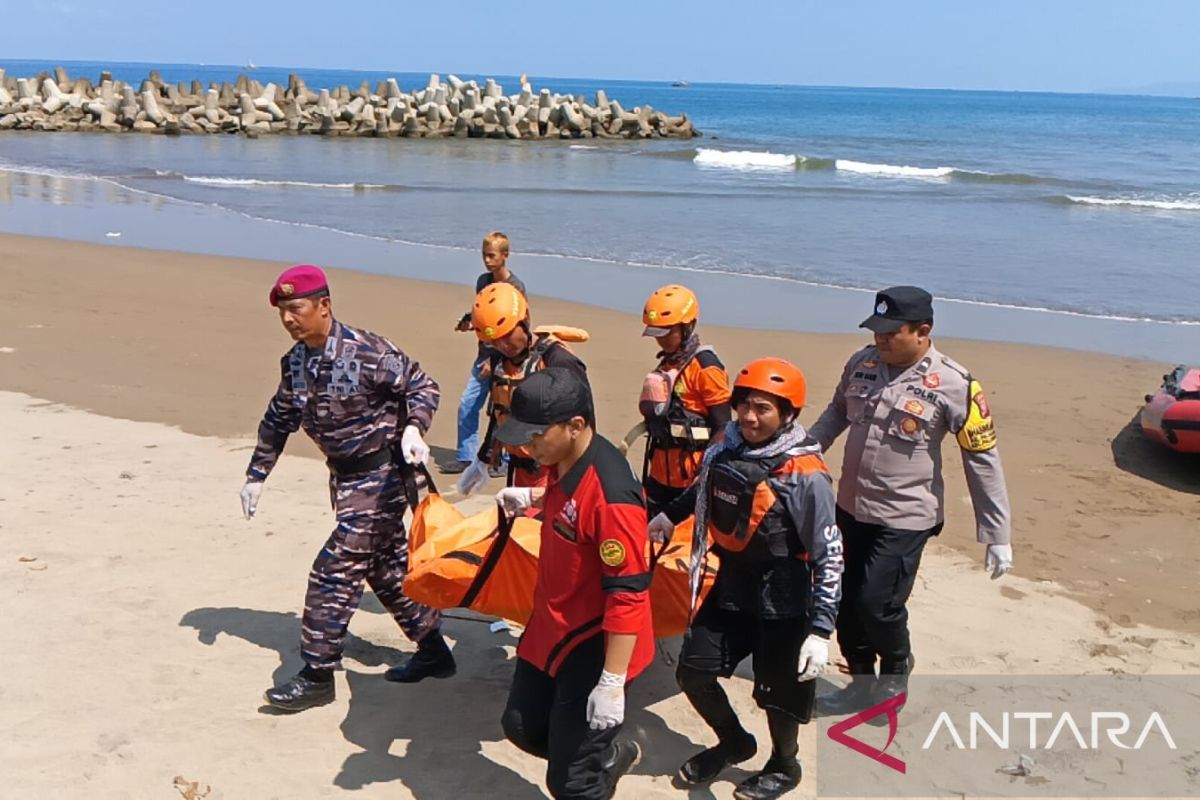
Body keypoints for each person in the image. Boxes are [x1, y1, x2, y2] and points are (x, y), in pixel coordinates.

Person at [239, 264, 455, 713]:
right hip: (345, 478)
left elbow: (422, 385)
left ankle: (318, 674)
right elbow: (280, 417)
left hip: (383, 479)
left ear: (324, 305)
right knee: (387, 570)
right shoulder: (296, 362)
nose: (288, 319)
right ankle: (434, 649)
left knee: (333, 571)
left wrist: (415, 427)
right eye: (282, 311)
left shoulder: (367, 350)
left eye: (296, 309)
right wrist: (257, 474)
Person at [808, 285, 1013, 716]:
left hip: (905, 517)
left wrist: (996, 534)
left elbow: (982, 458)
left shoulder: (955, 384)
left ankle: (896, 669)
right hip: (851, 507)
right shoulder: (861, 364)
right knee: (843, 601)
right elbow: (835, 414)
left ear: (923, 331)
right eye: (876, 331)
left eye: (890, 332)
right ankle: (861, 684)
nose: (880, 340)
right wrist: (801, 455)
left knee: (877, 604)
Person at [648, 358, 844, 800]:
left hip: (786, 593)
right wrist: (667, 515)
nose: (750, 418)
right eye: (744, 407)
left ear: (789, 414)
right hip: (733, 581)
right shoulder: (727, 445)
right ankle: (734, 741)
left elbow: (830, 552)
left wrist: (821, 630)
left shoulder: (806, 475)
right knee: (693, 671)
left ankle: (784, 764)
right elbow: (702, 488)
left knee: (779, 695)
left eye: (763, 409)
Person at [492, 368, 649, 799]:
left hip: (593, 642)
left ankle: (591, 768)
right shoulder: (563, 458)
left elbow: (628, 594)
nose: (528, 446)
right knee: (521, 726)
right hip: (552, 624)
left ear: (575, 425)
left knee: (571, 784)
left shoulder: (614, 498)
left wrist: (612, 682)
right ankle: (603, 757)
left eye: (536, 436)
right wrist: (535, 499)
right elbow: (574, 510)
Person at [455, 282, 590, 495]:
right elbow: (501, 414)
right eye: (494, 341)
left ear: (525, 319)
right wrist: (483, 459)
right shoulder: (500, 363)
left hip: (556, 473)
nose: (502, 345)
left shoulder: (559, 361)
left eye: (508, 335)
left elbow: (586, 425)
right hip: (521, 471)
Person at [637, 284, 732, 517]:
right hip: (659, 476)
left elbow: (723, 425)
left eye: (668, 332)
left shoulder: (706, 368)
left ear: (688, 326)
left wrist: (706, 473)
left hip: (691, 480)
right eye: (657, 334)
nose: (662, 340)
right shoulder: (668, 364)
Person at [444, 231, 528, 476]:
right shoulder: (483, 281)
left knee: (501, 409)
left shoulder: (514, 287)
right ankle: (466, 456)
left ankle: (501, 458)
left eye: (492, 256)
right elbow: (483, 312)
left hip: (507, 357)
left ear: (505, 256)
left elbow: (518, 326)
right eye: (484, 255)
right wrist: (469, 321)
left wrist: (498, 361)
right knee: (467, 404)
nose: (487, 261)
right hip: (484, 354)